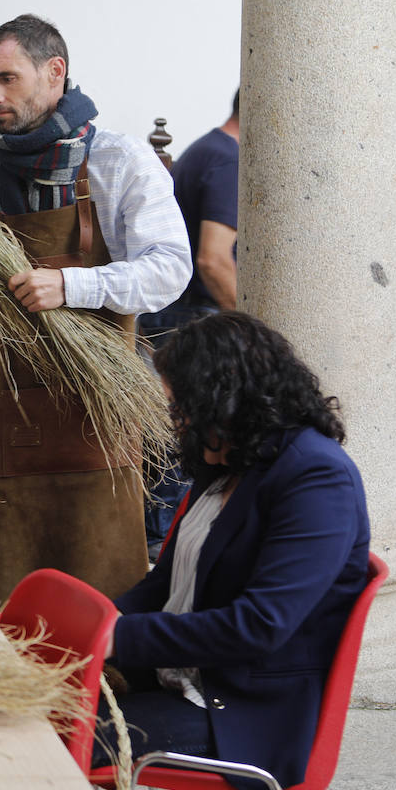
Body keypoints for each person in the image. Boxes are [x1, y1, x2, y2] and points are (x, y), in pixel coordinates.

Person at [0, 13, 191, 603]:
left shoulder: (119, 161)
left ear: (54, 73)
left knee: (101, 572)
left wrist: (69, 286)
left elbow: (170, 269)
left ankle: (107, 686)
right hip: (17, 407)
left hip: (100, 407)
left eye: (7, 78)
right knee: (18, 580)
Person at [91, 311, 370, 790]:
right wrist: (88, 625)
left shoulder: (317, 478)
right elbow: (163, 584)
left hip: (241, 710)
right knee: (19, 707)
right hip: (183, 681)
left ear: (225, 402)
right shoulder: (231, 461)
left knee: (38, 739)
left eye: (181, 410)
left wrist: (117, 638)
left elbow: (259, 626)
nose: (176, 424)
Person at [138, 89, 241, 559]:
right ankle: (162, 555)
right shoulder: (227, 160)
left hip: (173, 315)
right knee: (185, 442)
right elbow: (214, 260)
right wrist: (253, 327)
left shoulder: (206, 150)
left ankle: (159, 547)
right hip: (191, 318)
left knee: (171, 438)